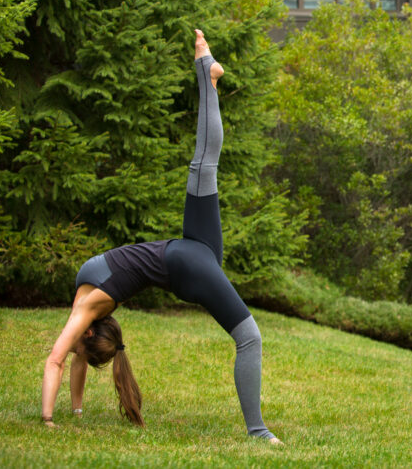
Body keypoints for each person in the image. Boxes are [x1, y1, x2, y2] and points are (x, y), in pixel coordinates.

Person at [40, 30, 281, 444]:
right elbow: (61, 359)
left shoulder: (87, 312)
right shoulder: (87, 307)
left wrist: (69, 413)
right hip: (185, 265)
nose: (72, 342)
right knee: (250, 338)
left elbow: (66, 360)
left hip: (192, 252)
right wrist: (48, 419)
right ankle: (257, 431)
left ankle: (210, 76)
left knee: (205, 167)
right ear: (90, 334)